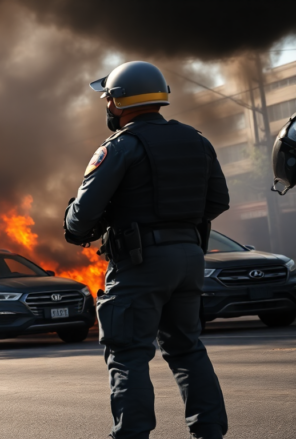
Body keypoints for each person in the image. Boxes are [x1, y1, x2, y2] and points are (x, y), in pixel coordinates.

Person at [65, 61, 230, 439]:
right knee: (187, 349)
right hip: (189, 259)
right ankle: (209, 433)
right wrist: (179, 225)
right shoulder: (197, 140)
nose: (105, 104)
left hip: (140, 264)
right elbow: (218, 201)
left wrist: (83, 224)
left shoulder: (121, 147)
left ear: (118, 102)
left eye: (107, 97)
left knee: (127, 354)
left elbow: (82, 216)